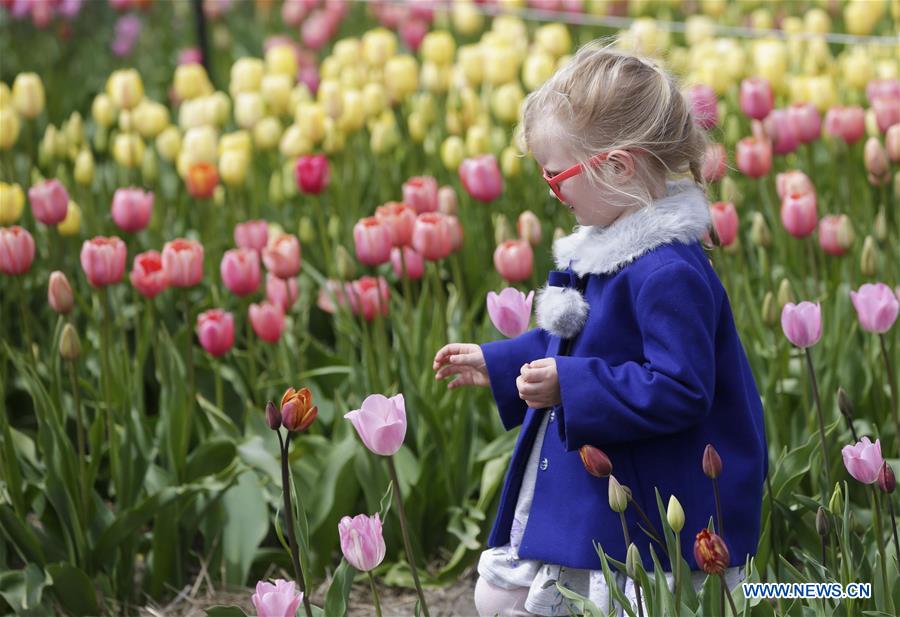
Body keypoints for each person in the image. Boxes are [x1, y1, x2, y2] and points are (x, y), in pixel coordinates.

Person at [432, 41, 767, 617]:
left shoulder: (666, 271)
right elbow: (580, 343)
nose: (550, 190)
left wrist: (572, 385)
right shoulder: (608, 248)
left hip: (653, 493)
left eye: (557, 175)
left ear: (618, 166)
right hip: (606, 483)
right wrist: (502, 362)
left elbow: (682, 389)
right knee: (499, 595)